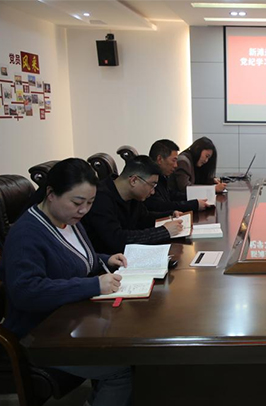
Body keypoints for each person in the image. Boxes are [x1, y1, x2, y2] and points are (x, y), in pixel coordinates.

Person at [0, 158, 132, 406]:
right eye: (77, 202)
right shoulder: (26, 235)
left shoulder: (67, 220)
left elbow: (74, 258)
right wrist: (93, 285)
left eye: (90, 203)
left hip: (72, 321)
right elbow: (26, 291)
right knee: (120, 370)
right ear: (51, 194)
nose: (84, 210)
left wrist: (105, 259)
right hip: (41, 336)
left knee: (126, 346)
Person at [82, 155, 183, 255]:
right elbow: (117, 240)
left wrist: (170, 215)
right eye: (152, 185)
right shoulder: (100, 198)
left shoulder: (133, 196)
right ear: (134, 180)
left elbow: (144, 218)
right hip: (109, 260)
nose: (153, 192)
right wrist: (163, 232)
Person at [145, 139, 210, 212]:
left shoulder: (162, 177)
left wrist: (194, 196)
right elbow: (162, 206)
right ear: (159, 159)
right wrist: (194, 204)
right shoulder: (148, 179)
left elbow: (171, 195)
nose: (176, 165)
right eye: (173, 160)